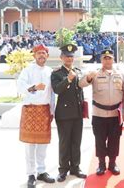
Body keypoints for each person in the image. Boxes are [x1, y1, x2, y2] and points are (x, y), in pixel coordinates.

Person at [79, 49, 124, 176]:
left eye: (110, 58)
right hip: (99, 114)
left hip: (115, 115)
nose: (107, 60)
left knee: (114, 139)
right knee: (100, 140)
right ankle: (101, 164)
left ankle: (112, 163)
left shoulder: (121, 75)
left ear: (113, 59)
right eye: (105, 58)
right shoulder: (94, 73)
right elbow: (81, 84)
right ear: (101, 60)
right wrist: (88, 78)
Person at [17, 44, 56, 188]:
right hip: (31, 110)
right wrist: (33, 87)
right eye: (39, 53)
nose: (41, 55)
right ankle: (31, 174)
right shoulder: (27, 70)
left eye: (44, 53)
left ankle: (41, 171)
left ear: (47, 56)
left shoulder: (50, 71)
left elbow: (52, 94)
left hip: (44, 111)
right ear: (34, 55)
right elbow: (20, 86)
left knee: (43, 144)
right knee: (30, 145)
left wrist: (52, 111)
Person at [51, 43, 87, 182]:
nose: (69, 59)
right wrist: (68, 79)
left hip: (77, 112)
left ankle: (75, 167)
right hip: (64, 113)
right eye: (66, 56)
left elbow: (80, 91)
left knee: (76, 142)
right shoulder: (56, 73)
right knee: (65, 142)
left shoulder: (77, 70)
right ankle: (63, 170)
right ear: (61, 57)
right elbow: (57, 90)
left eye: (71, 56)